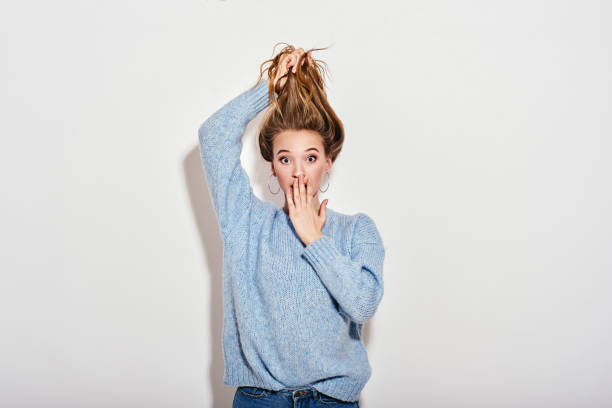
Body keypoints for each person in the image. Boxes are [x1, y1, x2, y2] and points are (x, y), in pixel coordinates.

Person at [198, 43, 386, 408]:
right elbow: (213, 137)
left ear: (328, 162)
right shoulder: (247, 223)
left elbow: (363, 305)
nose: (299, 171)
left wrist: (314, 238)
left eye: (311, 158)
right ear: (272, 166)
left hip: (331, 402)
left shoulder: (356, 231)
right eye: (286, 158)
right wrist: (267, 90)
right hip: (260, 399)